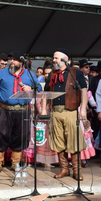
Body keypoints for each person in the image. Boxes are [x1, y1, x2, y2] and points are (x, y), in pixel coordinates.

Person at [0, 51, 41, 174]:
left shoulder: (29, 74)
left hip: (22, 110)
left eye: (15, 59)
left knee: (20, 136)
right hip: (4, 109)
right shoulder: (1, 73)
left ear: (21, 62)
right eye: (11, 59)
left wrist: (31, 88)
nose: (12, 61)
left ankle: (15, 163)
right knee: (0, 134)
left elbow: (39, 88)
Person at [41, 48, 87, 181]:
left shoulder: (75, 73)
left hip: (71, 112)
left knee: (74, 141)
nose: (53, 60)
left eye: (56, 58)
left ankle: (76, 171)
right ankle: (64, 169)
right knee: (59, 141)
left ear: (64, 59)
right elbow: (45, 93)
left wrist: (83, 109)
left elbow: (83, 90)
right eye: (54, 58)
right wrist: (44, 110)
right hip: (55, 112)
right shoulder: (51, 74)